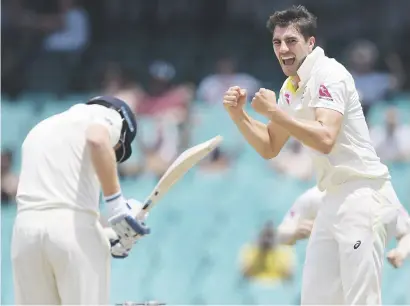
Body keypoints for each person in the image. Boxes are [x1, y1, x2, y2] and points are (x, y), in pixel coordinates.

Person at [223, 5, 401, 305]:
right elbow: (269, 146)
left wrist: (275, 112)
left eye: (291, 41)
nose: (283, 49)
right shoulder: (291, 87)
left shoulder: (329, 73)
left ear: (310, 43)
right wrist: (238, 115)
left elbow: (326, 139)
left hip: (363, 195)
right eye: (277, 43)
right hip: (330, 198)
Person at [11, 96, 151, 305]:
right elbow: (97, 140)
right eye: (117, 150)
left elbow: (56, 206)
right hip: (73, 233)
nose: (113, 154)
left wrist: (106, 236)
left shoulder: (41, 127)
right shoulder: (107, 115)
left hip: (24, 237)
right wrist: (117, 206)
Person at [277, 186, 410, 269]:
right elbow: (280, 235)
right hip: (323, 282)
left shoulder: (379, 197)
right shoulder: (315, 196)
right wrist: (293, 232)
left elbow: (407, 232)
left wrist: (401, 252)